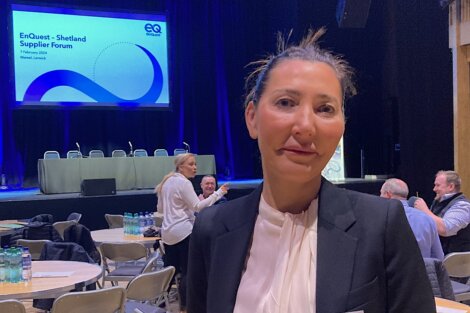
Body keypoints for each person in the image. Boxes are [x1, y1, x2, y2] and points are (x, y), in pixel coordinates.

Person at [187, 28, 435, 313]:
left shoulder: (382, 226)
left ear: (342, 125)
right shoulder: (212, 228)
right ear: (253, 118)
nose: (305, 127)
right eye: (286, 103)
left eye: (325, 109)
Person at [155, 153, 228, 312]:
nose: (195, 168)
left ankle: (160, 303)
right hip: (184, 232)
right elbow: (198, 206)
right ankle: (186, 307)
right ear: (181, 166)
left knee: (169, 271)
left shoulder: (166, 182)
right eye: (191, 164)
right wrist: (219, 193)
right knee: (188, 272)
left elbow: (160, 209)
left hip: (167, 233)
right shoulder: (184, 183)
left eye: (195, 164)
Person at [380, 178, 444, 260]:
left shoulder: (380, 218)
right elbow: (438, 257)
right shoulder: (428, 220)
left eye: (381, 193)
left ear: (388, 195)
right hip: (423, 271)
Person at [414, 170, 470, 254]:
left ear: (451, 186)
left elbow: (445, 229)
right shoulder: (438, 202)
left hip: (457, 260)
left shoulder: (462, 206)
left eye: (438, 185)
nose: (434, 189)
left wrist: (424, 210)